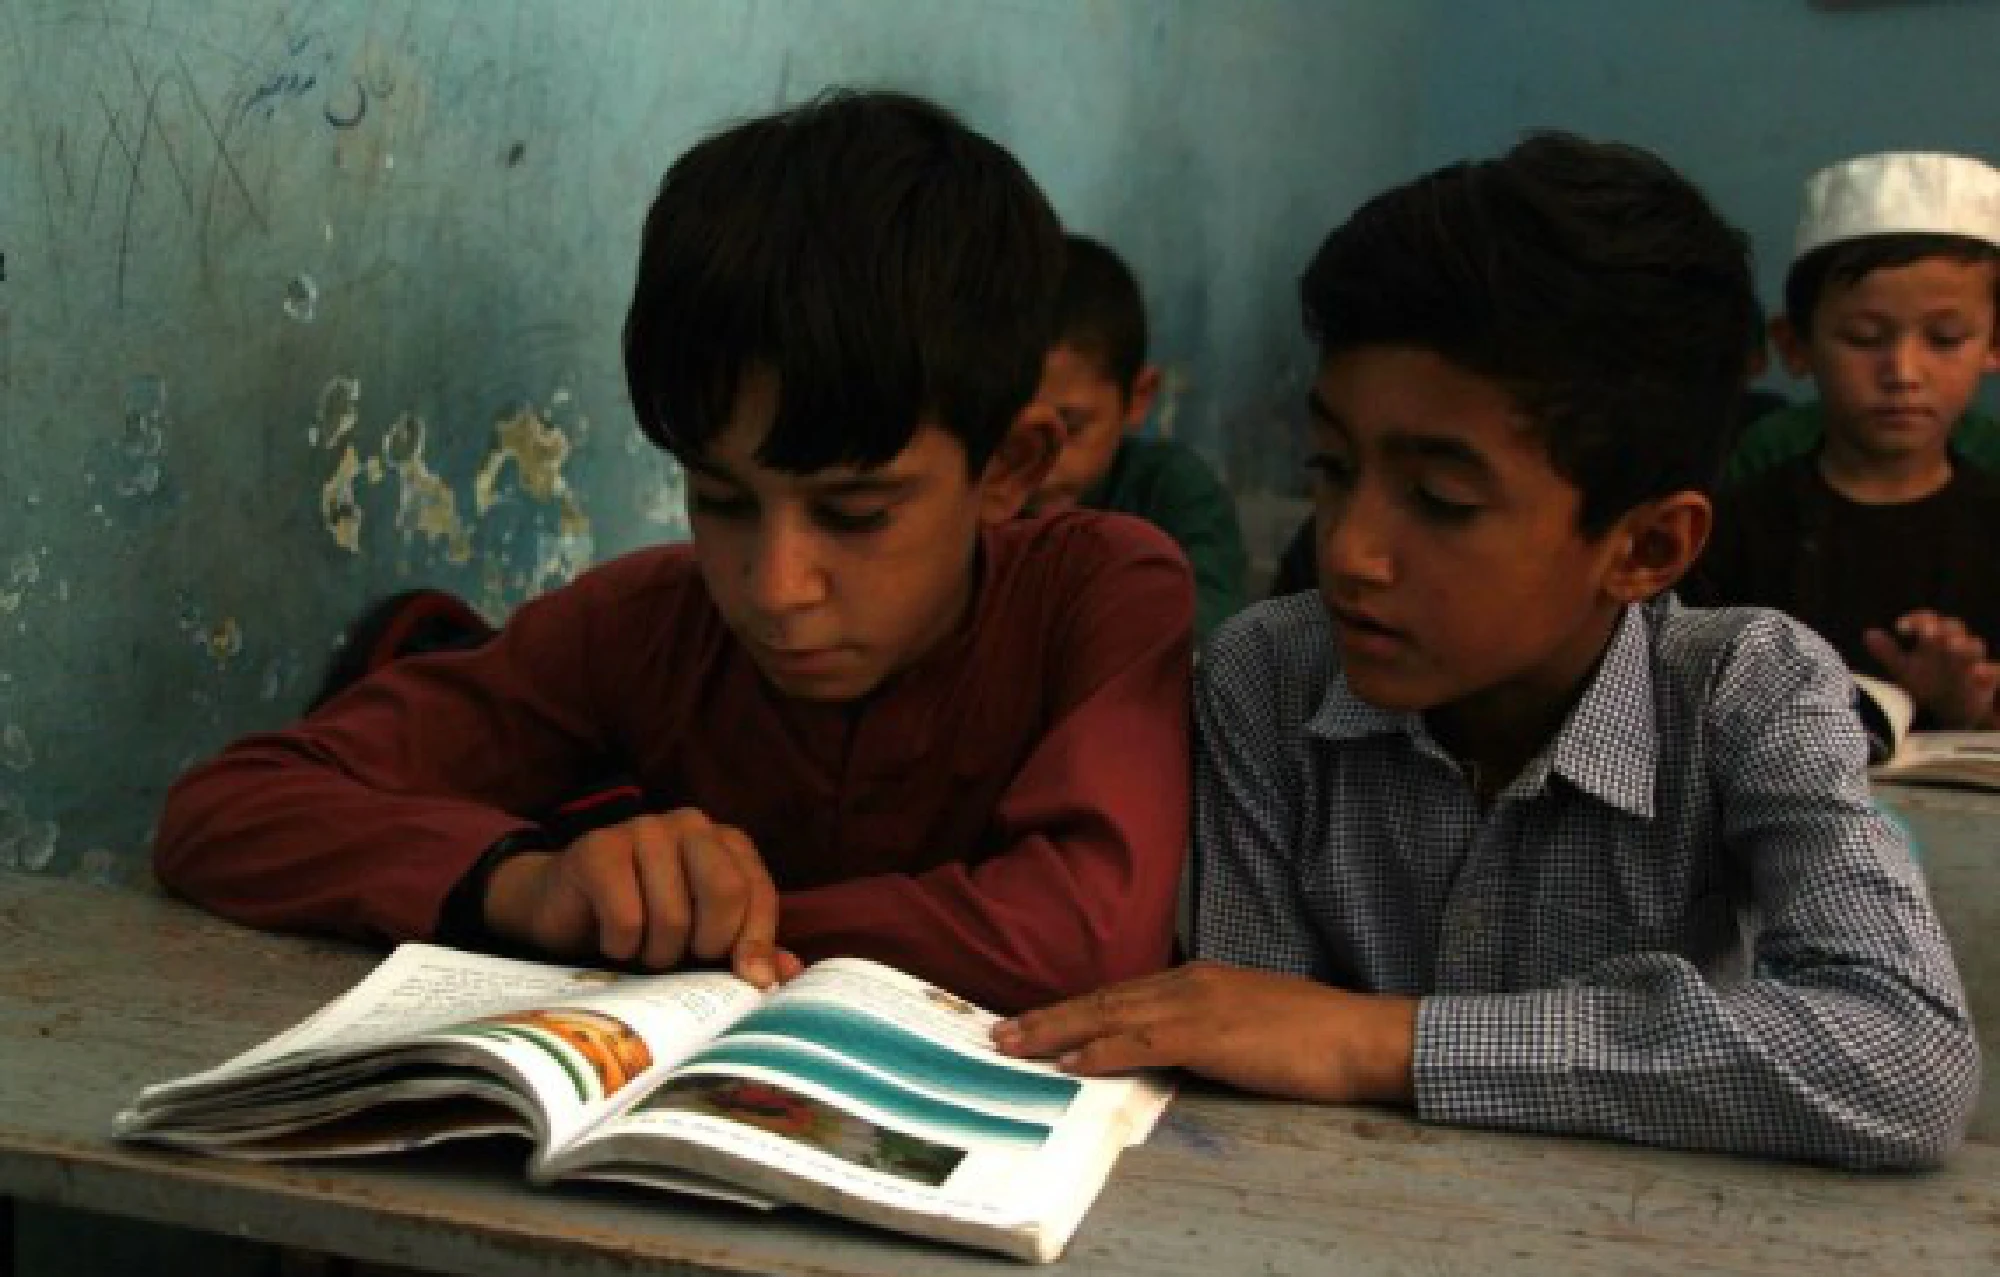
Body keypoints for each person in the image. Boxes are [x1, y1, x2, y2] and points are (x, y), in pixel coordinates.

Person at [996, 133, 1979, 1167]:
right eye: (1329, 467)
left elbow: (1901, 1060)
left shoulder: (1746, 690)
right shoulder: (1268, 676)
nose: (1349, 550)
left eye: (1442, 500)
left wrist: (1384, 1039)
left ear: (1644, 546)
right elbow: (1246, 1060)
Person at [153, 90, 1195, 1015]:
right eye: (720, 499)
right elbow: (226, 811)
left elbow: (1084, 935)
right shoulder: (646, 625)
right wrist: (532, 888)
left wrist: (700, 924)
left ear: (1008, 466)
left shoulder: (1101, 593)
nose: (775, 587)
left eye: (856, 513)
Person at [1690, 150, 2000, 730]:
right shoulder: (1736, 536)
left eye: (1945, 338)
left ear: (1993, 344)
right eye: (1864, 337)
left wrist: (1970, 708)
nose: (1904, 372)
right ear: (1796, 346)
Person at [1032, 235, 1247, 641]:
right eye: (1013, 433)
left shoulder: (1173, 492)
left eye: (1070, 429)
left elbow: (1211, 632)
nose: (1037, 465)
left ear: (1138, 398)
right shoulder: (983, 494)